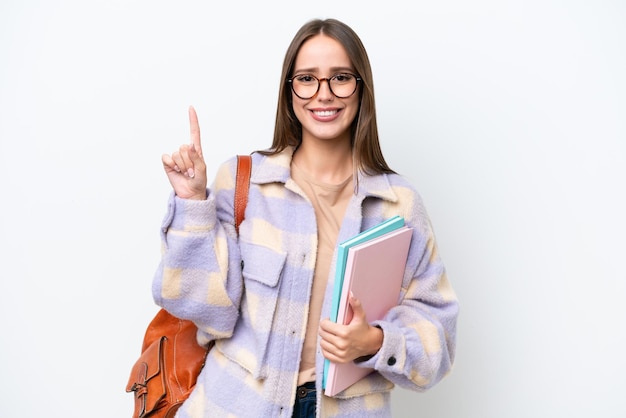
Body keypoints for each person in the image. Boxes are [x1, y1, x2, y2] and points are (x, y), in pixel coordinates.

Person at [154, 18, 458, 418]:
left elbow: (439, 337)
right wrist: (192, 202)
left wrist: (373, 341)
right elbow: (202, 309)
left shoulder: (398, 204)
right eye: (307, 79)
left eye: (341, 78)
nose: (323, 94)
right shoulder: (244, 182)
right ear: (289, 90)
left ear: (361, 88)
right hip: (233, 405)